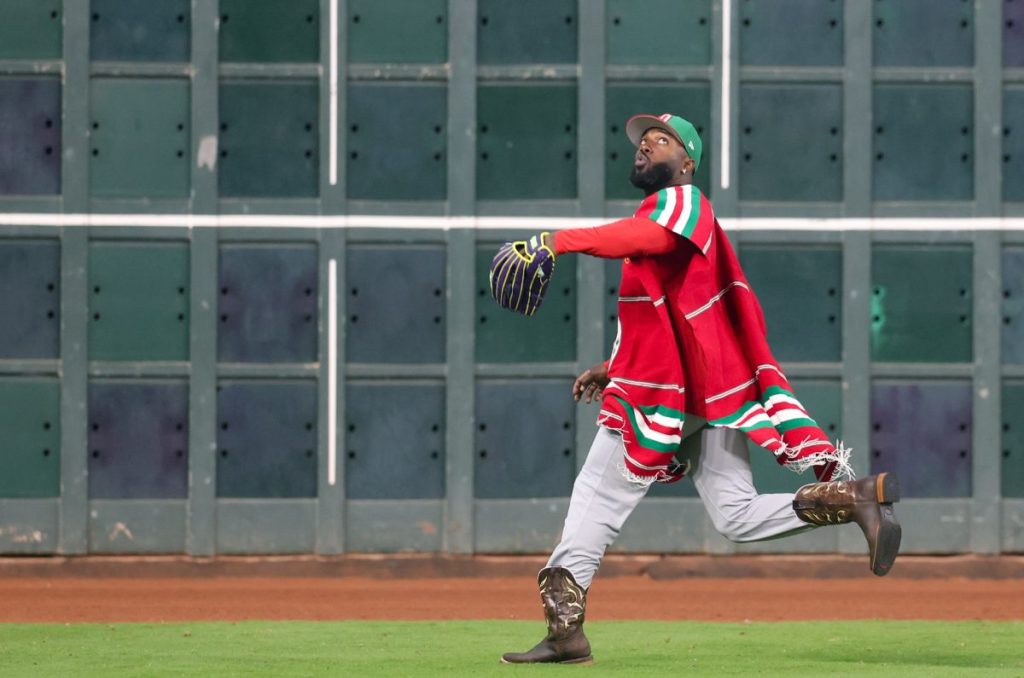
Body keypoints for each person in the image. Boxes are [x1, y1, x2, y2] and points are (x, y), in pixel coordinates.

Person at [498, 113, 902, 665]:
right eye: (642, 140)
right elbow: (665, 317)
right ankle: (852, 500)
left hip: (672, 395)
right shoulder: (668, 212)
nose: (645, 145)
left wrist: (556, 241)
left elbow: (637, 237)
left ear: (687, 161)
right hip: (700, 393)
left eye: (660, 140)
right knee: (734, 515)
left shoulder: (684, 202)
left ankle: (566, 632)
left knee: (596, 496)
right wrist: (614, 365)